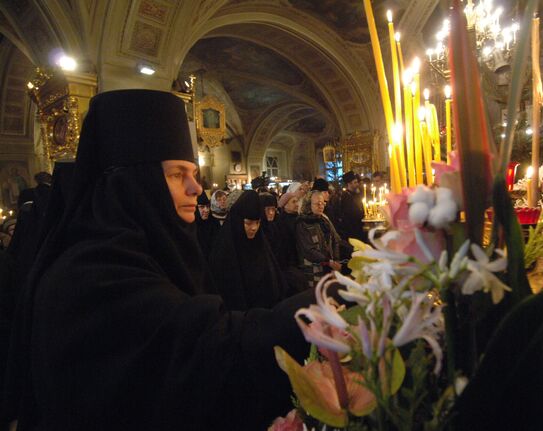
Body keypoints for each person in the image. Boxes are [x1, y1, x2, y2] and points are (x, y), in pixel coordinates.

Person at [2, 90, 316, 430]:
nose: (196, 188)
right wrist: (330, 306)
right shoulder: (91, 275)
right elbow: (212, 351)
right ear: (134, 185)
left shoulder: (157, 254)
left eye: (194, 173)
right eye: (177, 174)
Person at [209, 190, 288, 311]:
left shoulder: (261, 244)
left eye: (257, 223)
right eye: (248, 223)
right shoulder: (224, 250)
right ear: (238, 221)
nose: (254, 228)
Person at [296, 190, 342, 289]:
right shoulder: (302, 223)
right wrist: (329, 262)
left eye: (322, 203)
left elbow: (335, 241)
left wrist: (336, 260)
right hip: (313, 271)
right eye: (317, 204)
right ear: (309, 205)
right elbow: (308, 250)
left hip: (329, 267)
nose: (321, 206)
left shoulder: (324, 220)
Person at [338, 170, 365, 242]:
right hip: (352, 229)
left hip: (358, 226)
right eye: (355, 182)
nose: (357, 184)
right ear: (349, 184)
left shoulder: (356, 194)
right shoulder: (346, 196)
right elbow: (351, 213)